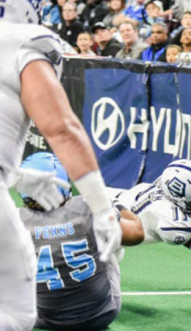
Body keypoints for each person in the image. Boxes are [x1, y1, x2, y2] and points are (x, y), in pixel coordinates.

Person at [1, 2, 123, 328]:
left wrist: (14, 176)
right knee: (16, 313)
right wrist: (102, 207)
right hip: (95, 310)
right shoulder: (27, 40)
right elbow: (60, 127)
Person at [19, 152, 145, 331]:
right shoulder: (87, 208)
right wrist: (117, 205)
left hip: (44, 320)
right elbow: (137, 234)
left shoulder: (14, 220)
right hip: (101, 314)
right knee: (108, 240)